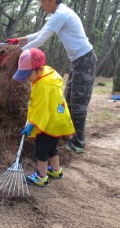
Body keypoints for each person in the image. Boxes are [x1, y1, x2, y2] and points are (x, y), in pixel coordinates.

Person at [6, 0, 96, 154]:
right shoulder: (58, 14)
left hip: (85, 60)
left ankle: (78, 143)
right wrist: (19, 41)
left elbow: (41, 40)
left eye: (42, 1)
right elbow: (40, 33)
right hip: (78, 61)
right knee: (68, 100)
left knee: (78, 104)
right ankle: (67, 134)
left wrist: (17, 53)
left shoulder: (61, 14)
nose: (41, 6)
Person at [12, 48, 75, 187]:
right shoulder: (49, 73)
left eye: (28, 74)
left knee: (41, 149)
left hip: (48, 123)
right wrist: (34, 101)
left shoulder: (41, 85)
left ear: (36, 69)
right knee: (52, 147)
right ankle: (56, 170)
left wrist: (31, 125)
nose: (27, 78)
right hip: (58, 120)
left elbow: (42, 111)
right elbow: (47, 100)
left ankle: (41, 177)